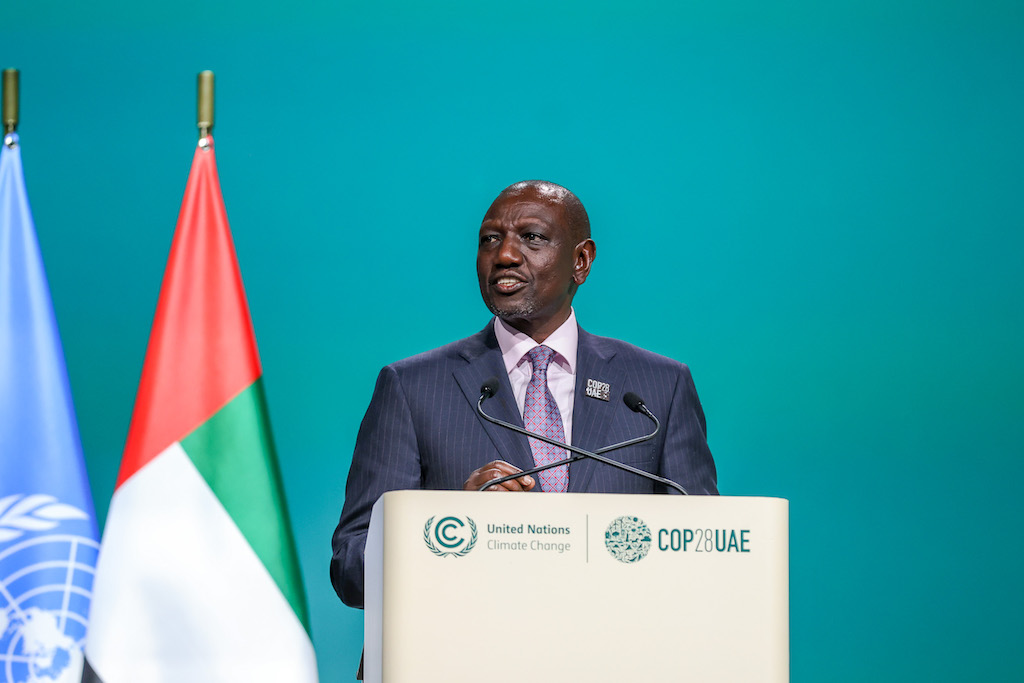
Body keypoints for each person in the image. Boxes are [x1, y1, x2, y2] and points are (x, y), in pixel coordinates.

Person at [330, 180, 717, 609]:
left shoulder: (657, 388)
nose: (505, 256)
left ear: (581, 261)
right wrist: (451, 524)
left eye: (531, 238)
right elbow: (352, 569)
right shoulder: (411, 387)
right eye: (490, 240)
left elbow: (702, 552)